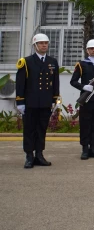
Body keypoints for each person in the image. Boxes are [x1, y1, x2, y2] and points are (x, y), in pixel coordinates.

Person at [16, 33, 60, 169]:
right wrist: (20, 101)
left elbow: (55, 82)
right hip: (30, 102)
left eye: (46, 43)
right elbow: (20, 83)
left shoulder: (52, 62)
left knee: (41, 129)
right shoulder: (26, 62)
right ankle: (29, 156)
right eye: (41, 43)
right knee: (29, 129)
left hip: (45, 102)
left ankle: (39, 155)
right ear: (35, 46)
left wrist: (55, 99)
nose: (44, 45)